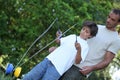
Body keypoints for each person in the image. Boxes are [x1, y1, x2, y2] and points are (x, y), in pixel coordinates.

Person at [22, 21, 98, 80]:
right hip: (49, 60)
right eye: (83, 29)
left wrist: (79, 50)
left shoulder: (85, 47)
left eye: (86, 31)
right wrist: (58, 36)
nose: (83, 31)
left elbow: (77, 61)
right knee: (29, 77)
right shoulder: (72, 36)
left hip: (57, 69)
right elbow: (59, 41)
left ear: (90, 36)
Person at [57, 9, 120, 80]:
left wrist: (92, 68)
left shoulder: (116, 40)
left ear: (118, 23)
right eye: (108, 17)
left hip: (80, 69)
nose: (108, 20)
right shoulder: (97, 27)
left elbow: (106, 61)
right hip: (68, 60)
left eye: (113, 20)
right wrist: (60, 43)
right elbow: (79, 40)